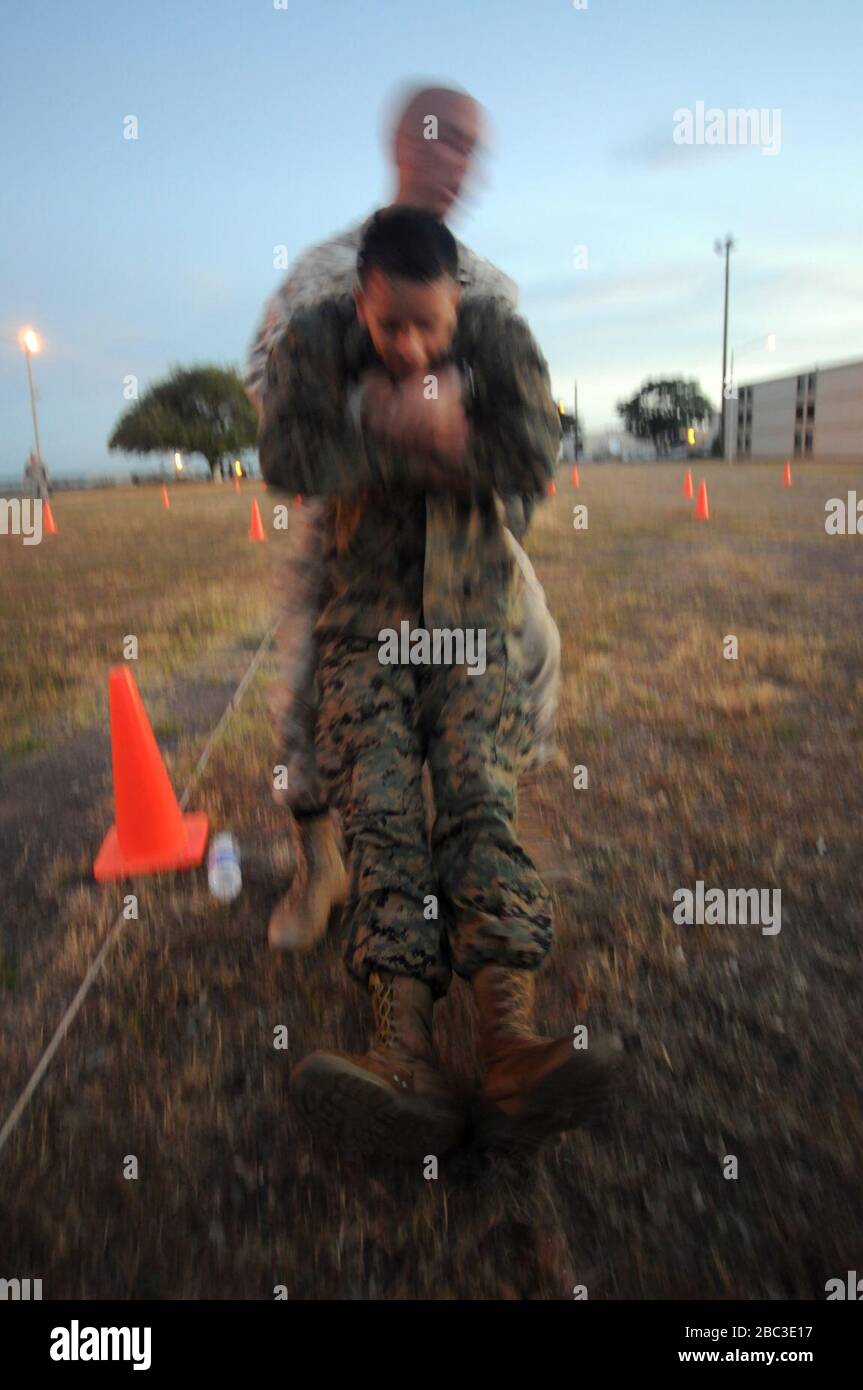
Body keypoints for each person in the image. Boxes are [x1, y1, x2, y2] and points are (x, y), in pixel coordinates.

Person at [258, 207, 620, 1159]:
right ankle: (401, 1052)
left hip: (470, 619)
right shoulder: (315, 338)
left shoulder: (500, 337)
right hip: (363, 625)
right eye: (390, 328)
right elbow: (289, 456)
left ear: (457, 300)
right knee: (378, 819)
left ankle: (508, 1042)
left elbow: (533, 459)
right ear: (361, 301)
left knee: (475, 805)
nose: (412, 345)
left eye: (430, 323)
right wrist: (405, 428)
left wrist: (415, 437)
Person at [245, 83, 561, 954]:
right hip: (349, 540)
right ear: (403, 141)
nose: (458, 162)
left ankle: (477, 854)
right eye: (445, 139)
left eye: (472, 148)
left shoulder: (489, 285)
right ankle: (324, 867)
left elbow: (526, 423)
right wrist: (380, 415)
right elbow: (270, 395)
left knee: (529, 659)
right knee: (310, 701)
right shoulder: (324, 271)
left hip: (469, 536)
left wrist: (484, 477)